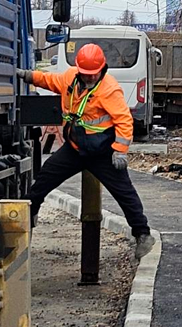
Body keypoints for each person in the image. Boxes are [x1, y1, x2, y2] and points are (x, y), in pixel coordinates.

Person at [17, 43, 155, 259]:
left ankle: (143, 235)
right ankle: (23, 220)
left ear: (102, 69)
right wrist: (27, 76)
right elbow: (50, 81)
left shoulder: (109, 89)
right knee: (44, 180)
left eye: (94, 74)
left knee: (124, 193)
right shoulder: (71, 78)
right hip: (75, 148)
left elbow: (124, 121)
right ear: (79, 70)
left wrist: (119, 151)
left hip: (103, 153)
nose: (90, 78)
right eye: (86, 74)